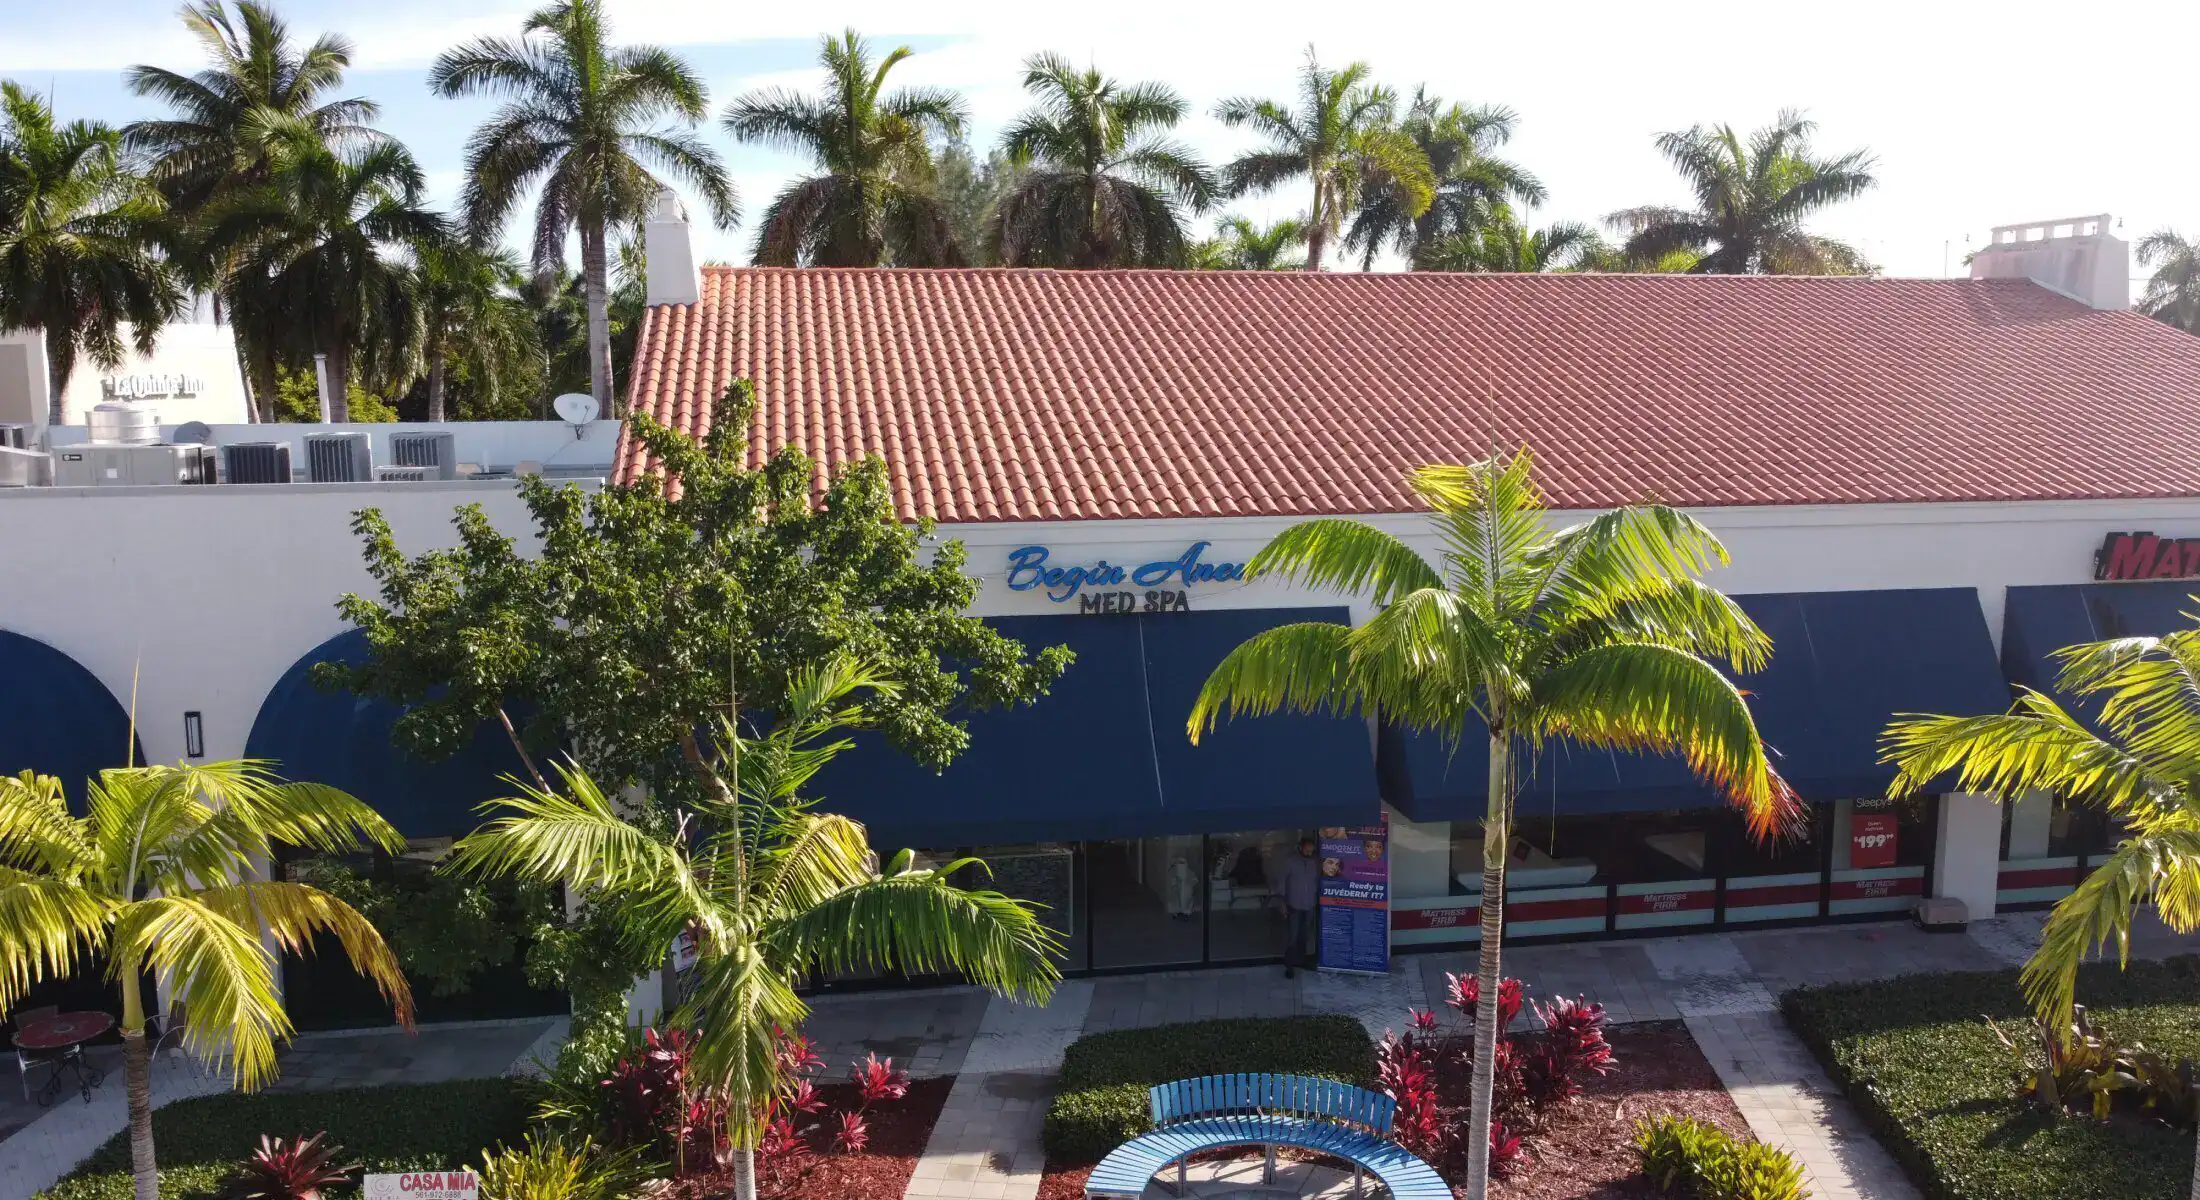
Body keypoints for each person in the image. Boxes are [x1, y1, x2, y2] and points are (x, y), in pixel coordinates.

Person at [1279, 835, 1321, 977]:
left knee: (1305, 935)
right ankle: (1289, 965)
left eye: (1311, 850)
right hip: (1294, 904)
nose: (1309, 852)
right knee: (1293, 936)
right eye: (1307, 850)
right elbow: (1282, 882)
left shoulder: (1315, 862)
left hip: (1309, 904)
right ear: (1300, 848)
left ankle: (1301, 960)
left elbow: (1317, 881)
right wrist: (1282, 903)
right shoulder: (1290, 861)